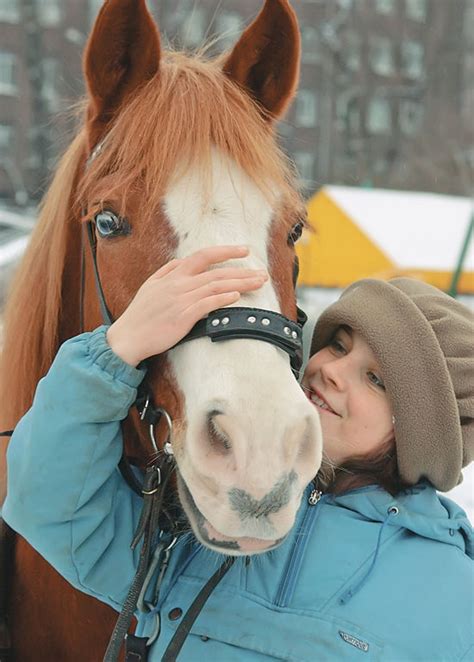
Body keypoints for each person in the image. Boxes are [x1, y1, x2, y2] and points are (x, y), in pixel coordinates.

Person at [3, 247, 473, 661]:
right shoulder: (219, 503)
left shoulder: (452, 597)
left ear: (420, 434)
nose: (329, 369)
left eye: (376, 379)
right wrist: (118, 351)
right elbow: (51, 507)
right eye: (338, 345)